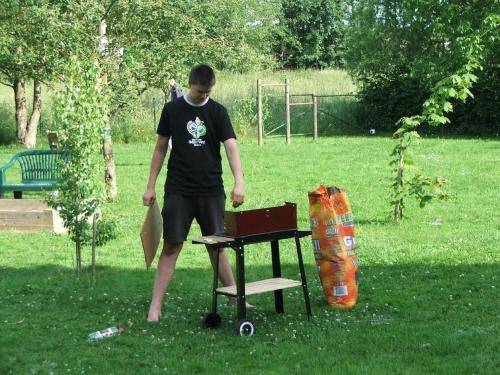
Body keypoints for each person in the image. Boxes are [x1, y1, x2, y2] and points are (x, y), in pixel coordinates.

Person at [142, 64, 245, 322]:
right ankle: (155, 307)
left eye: (208, 91)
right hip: (179, 189)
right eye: (200, 91)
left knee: (217, 246)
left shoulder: (218, 112)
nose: (204, 95)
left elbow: (231, 147)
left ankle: (234, 296)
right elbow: (160, 148)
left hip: (211, 190)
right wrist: (150, 185)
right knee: (172, 245)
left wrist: (239, 182)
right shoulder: (172, 110)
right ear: (190, 84)